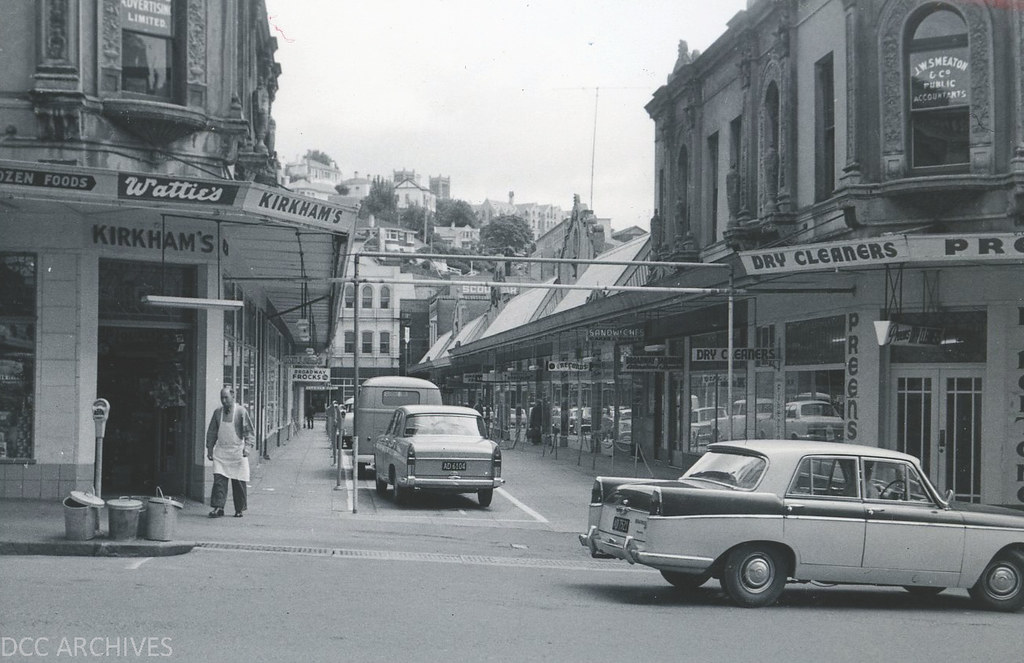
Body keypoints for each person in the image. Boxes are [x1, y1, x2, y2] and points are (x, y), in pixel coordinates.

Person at [206, 386, 254, 518]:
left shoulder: (240, 412)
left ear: (233, 396)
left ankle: (239, 509)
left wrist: (247, 447)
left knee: (238, 482)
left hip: (237, 451)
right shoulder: (217, 413)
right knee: (219, 481)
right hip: (221, 452)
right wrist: (210, 448)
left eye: (226, 397)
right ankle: (218, 507)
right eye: (222, 397)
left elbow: (248, 432)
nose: (223, 400)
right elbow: (212, 432)